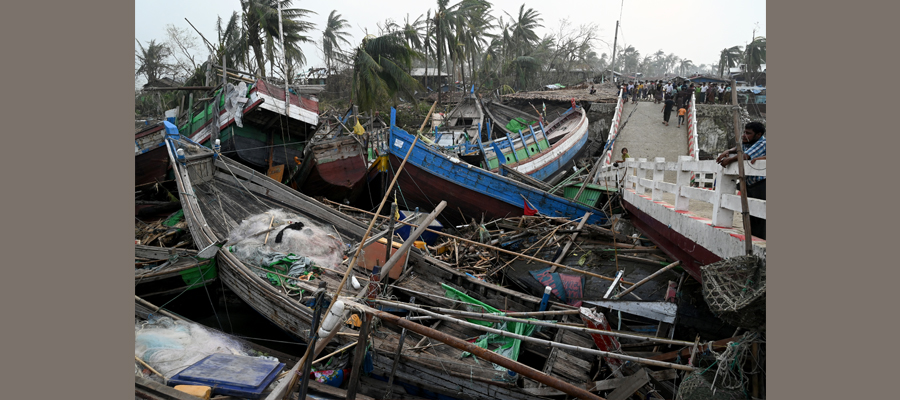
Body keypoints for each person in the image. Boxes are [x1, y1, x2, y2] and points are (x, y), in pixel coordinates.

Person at [715, 121, 766, 239]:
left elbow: (745, 155)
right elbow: (739, 148)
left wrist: (729, 159)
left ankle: (760, 240)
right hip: (750, 184)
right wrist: (729, 151)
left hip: (761, 184)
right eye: (744, 132)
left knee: (760, 215)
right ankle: (751, 237)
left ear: (758, 135)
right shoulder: (749, 142)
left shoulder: (762, 143)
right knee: (748, 213)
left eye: (748, 133)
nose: (744, 135)